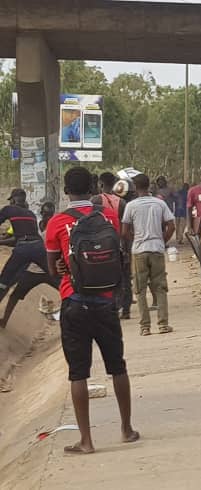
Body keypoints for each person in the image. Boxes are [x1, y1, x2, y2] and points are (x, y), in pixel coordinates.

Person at [45, 166, 139, 454]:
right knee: (117, 366)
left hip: (74, 302)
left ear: (65, 190)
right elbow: (121, 248)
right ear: (94, 188)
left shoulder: (56, 223)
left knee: (78, 374)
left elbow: (52, 270)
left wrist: (64, 267)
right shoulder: (108, 215)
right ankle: (126, 429)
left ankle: (86, 441)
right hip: (106, 301)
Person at [122, 174, 175, 336]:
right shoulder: (159, 204)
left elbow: (124, 231)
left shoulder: (131, 206)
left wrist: (136, 240)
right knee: (160, 287)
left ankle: (145, 327)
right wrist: (162, 240)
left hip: (139, 251)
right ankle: (163, 324)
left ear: (134, 187)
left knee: (140, 289)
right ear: (149, 186)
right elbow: (171, 226)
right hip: (157, 250)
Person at [0, 203, 60, 329]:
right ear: (41, 213)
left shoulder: (54, 226)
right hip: (33, 269)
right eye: (45, 213)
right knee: (13, 292)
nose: (47, 216)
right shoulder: (34, 222)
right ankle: (4, 321)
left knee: (7, 284)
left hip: (38, 265)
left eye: (49, 214)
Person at [94, 173, 134, 319]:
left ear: (100, 184)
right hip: (120, 244)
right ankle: (126, 309)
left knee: (106, 278)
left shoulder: (96, 200)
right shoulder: (122, 202)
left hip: (102, 245)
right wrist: (127, 249)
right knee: (124, 277)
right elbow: (126, 228)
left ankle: (112, 307)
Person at [0, 189, 46, 304]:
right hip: (39, 248)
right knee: (56, 278)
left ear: (14, 199)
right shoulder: (31, 215)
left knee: (4, 281)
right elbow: (21, 238)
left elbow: (20, 240)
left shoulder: (9, 209)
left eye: (11, 200)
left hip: (23, 250)